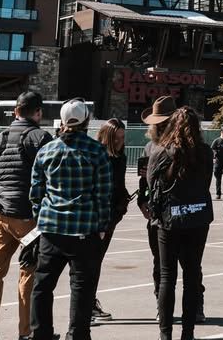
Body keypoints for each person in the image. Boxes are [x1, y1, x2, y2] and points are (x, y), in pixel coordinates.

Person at [29, 98, 112, 340]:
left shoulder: (47, 150)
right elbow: (103, 193)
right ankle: (77, 334)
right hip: (84, 230)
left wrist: (40, 218)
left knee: (43, 286)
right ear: (87, 121)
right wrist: (102, 226)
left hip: (52, 229)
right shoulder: (96, 151)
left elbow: (36, 192)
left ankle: (41, 334)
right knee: (82, 289)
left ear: (63, 122)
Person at [0, 91, 53, 340]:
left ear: (16, 111)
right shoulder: (41, 137)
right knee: (29, 272)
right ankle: (27, 332)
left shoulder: (0, 138)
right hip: (28, 218)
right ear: (38, 112)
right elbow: (49, 179)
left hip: (2, 214)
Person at [147, 107, 214, 340]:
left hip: (168, 220)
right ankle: (188, 333)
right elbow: (207, 183)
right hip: (197, 218)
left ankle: (165, 334)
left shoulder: (161, 151)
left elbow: (151, 185)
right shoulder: (205, 152)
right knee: (192, 275)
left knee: (167, 276)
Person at [92, 118, 130, 323]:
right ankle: (87, 305)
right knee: (91, 262)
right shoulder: (98, 156)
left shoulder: (120, 157)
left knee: (95, 261)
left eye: (122, 138)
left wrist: (122, 203)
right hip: (98, 216)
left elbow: (119, 186)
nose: (120, 142)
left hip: (111, 215)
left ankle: (89, 303)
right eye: (117, 138)